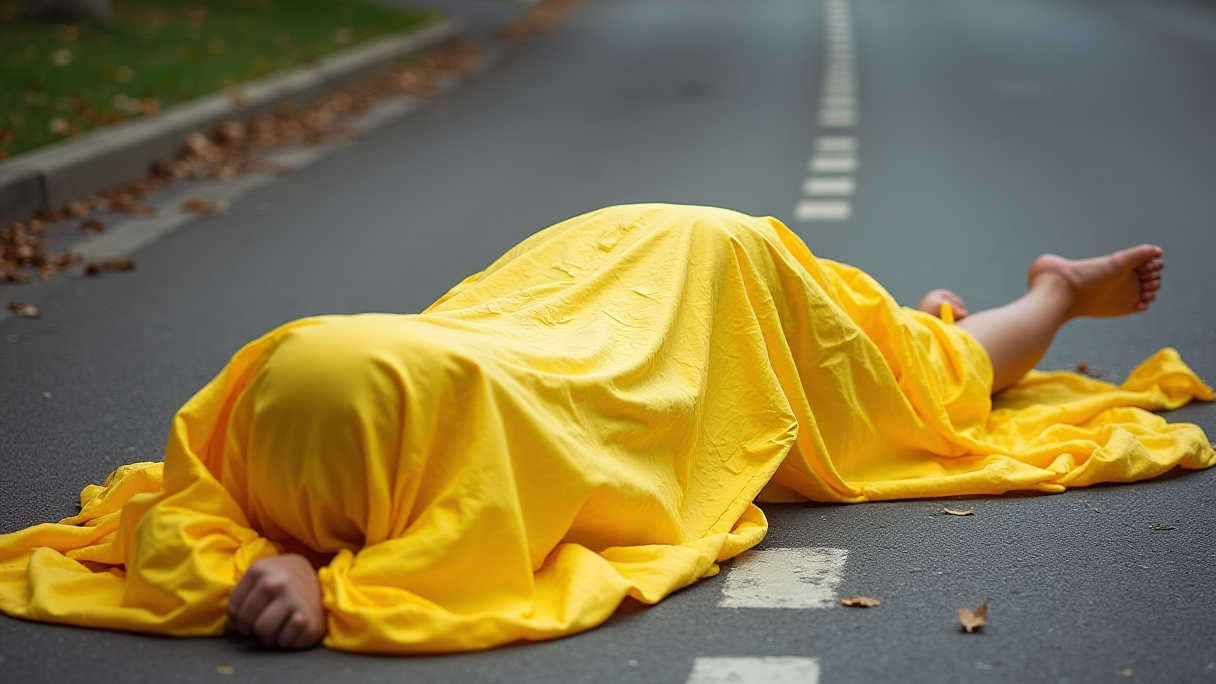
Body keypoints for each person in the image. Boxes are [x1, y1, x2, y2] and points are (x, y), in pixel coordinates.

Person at [0, 204, 1211, 654]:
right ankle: (997, 298)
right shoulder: (278, 400)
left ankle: (1051, 289)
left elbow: (476, 571)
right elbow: (198, 504)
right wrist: (276, 562)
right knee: (892, 349)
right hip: (593, 261)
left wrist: (329, 587)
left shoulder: (482, 448)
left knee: (923, 390)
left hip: (712, 297)